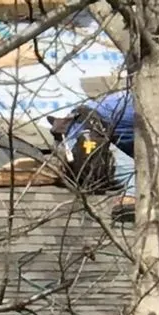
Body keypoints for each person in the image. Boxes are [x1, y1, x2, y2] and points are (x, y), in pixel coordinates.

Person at [47, 88, 135, 222]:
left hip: (83, 135)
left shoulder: (143, 97)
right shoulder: (148, 104)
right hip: (83, 138)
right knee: (139, 174)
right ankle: (129, 202)